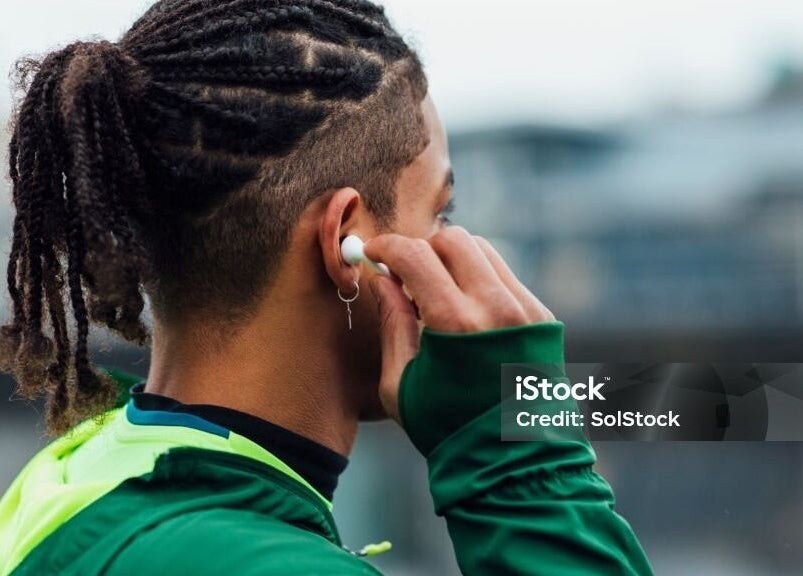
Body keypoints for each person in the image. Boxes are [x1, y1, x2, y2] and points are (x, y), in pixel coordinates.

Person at [0, 1, 653, 574]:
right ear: (348, 243)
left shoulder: (77, 476)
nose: (460, 246)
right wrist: (526, 461)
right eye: (440, 212)